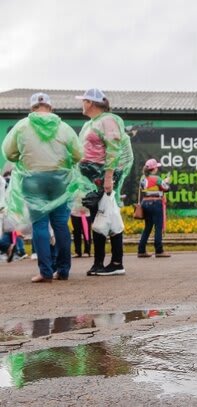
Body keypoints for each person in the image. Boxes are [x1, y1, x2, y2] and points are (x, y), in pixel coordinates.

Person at [2, 92, 82, 282]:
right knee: (61, 224)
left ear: (32, 108)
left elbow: (9, 153)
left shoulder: (22, 126)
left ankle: (45, 272)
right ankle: (63, 270)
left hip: (33, 179)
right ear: (51, 108)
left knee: (40, 224)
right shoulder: (64, 128)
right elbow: (78, 154)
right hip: (60, 180)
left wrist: (23, 157)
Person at [76, 88, 134, 276]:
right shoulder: (92, 123)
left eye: (83, 101)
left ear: (91, 103)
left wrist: (108, 177)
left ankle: (114, 262)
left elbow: (113, 148)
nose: (81, 104)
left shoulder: (108, 120)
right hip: (94, 178)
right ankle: (101, 262)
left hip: (104, 177)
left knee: (104, 217)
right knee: (101, 216)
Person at [137, 158, 171, 258]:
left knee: (147, 227)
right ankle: (159, 250)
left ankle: (141, 250)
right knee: (158, 227)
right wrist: (166, 181)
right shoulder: (157, 178)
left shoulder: (143, 178)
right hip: (156, 203)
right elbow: (166, 188)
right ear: (154, 169)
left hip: (145, 203)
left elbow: (146, 188)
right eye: (157, 167)